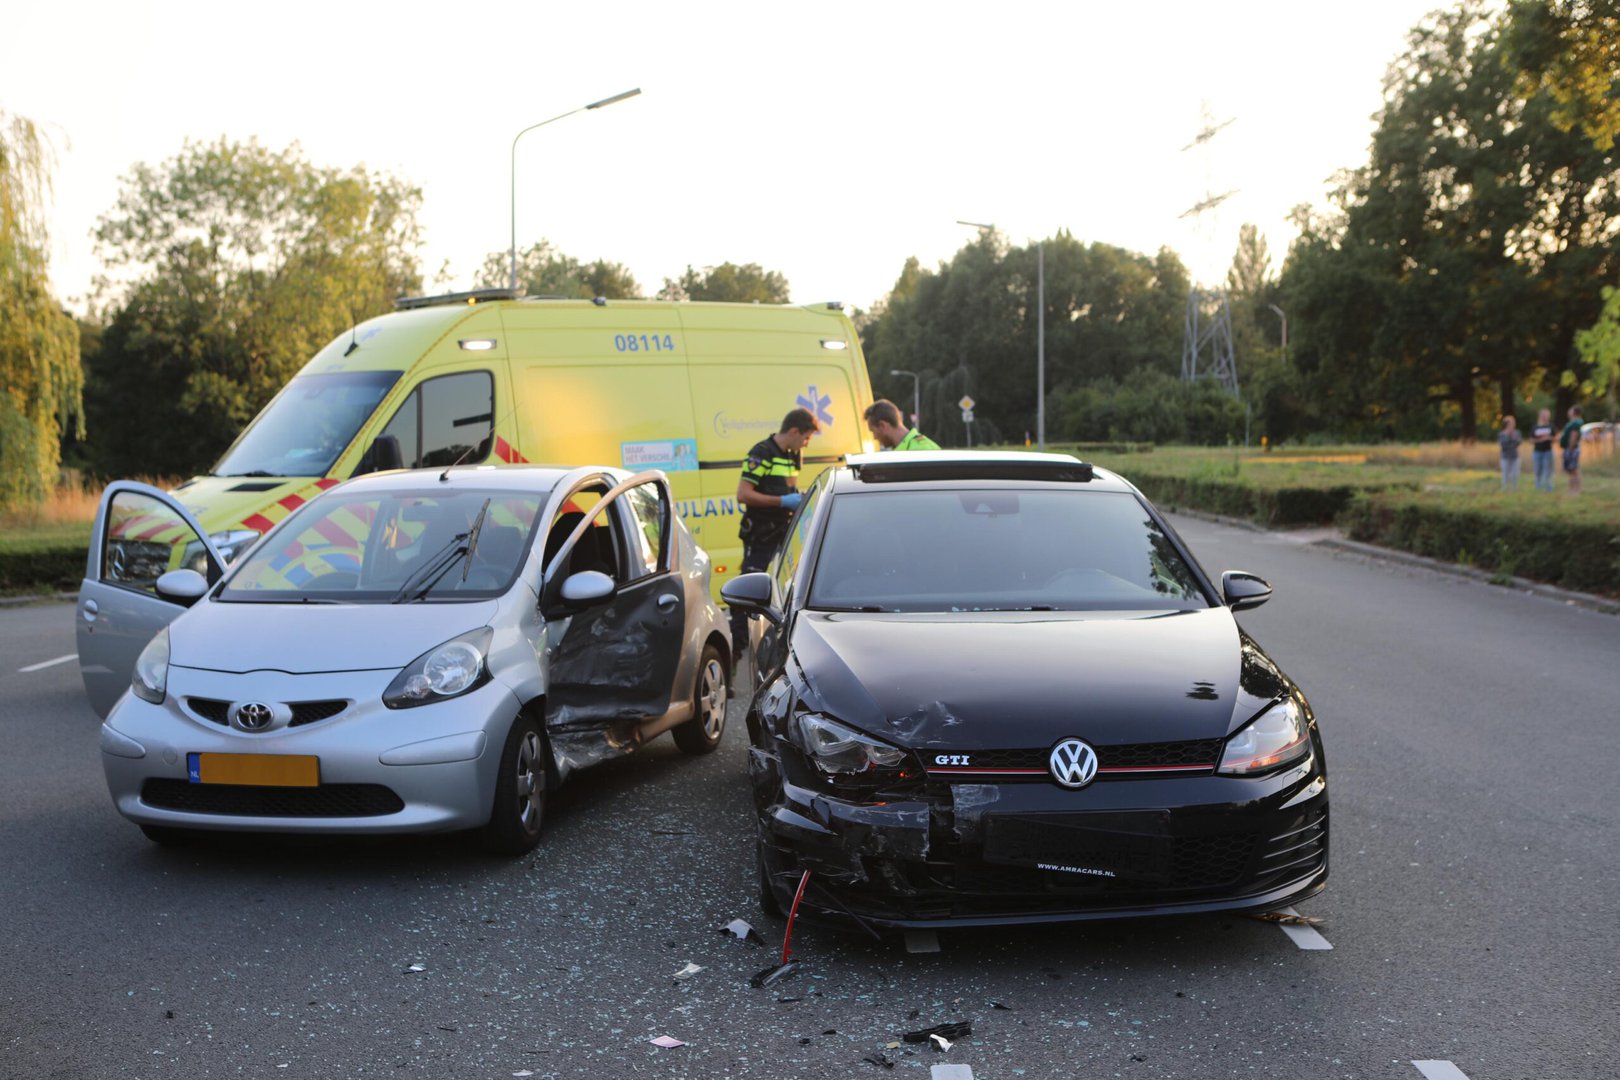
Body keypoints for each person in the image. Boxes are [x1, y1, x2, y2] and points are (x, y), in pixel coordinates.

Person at [731, 407, 819, 653]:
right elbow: (743, 494)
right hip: (761, 534)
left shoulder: (794, 454)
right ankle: (738, 646)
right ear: (794, 431)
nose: (807, 444)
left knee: (784, 590)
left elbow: (786, 487)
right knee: (748, 589)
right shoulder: (762, 453)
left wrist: (796, 498)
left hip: (784, 532)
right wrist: (781, 501)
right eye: (806, 438)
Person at [864, 399, 941, 451]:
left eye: (873, 431)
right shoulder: (905, 449)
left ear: (882, 425)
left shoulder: (920, 450)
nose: (874, 437)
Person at [1530, 408, 1556, 492]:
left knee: (1548, 470)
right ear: (1540, 416)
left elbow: (1556, 438)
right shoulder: (1535, 427)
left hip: (1548, 451)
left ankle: (1548, 487)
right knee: (1538, 470)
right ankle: (1538, 487)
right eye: (1543, 415)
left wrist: (1549, 438)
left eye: (1546, 415)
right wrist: (1540, 440)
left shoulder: (1551, 426)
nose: (1544, 417)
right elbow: (1531, 440)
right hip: (1537, 452)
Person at [1559, 404, 1583, 495]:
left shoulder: (1575, 423)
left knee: (1574, 470)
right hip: (1569, 448)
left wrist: (1570, 449)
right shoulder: (1572, 422)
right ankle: (1572, 489)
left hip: (1572, 449)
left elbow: (1573, 435)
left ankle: (1575, 490)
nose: (1568, 411)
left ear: (1574, 412)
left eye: (1570, 410)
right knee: (1571, 470)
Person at [1497, 414, 1522, 490]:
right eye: (1511, 423)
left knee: (1515, 474)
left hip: (1515, 456)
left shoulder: (1517, 433)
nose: (1513, 425)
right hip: (1505, 457)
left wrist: (1511, 440)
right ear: (1507, 424)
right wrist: (1509, 437)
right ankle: (1505, 488)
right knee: (1505, 474)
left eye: (1513, 423)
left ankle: (1514, 488)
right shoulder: (1502, 434)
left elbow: (1518, 443)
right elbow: (1503, 445)